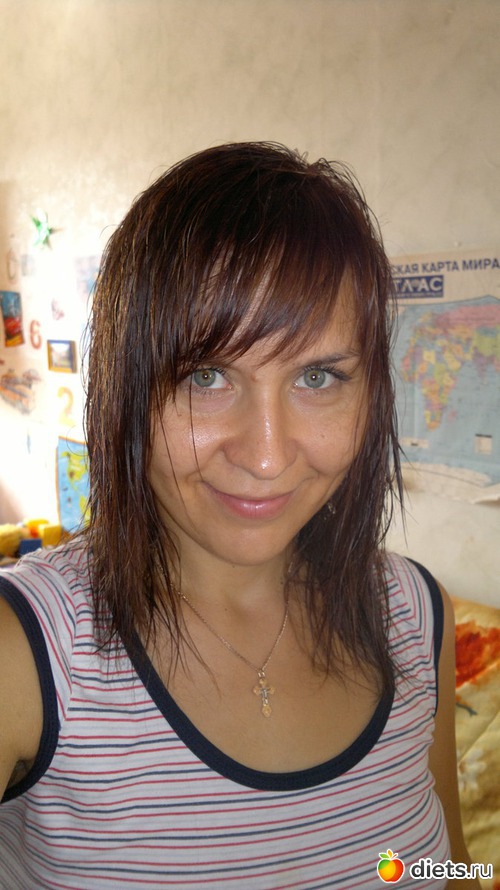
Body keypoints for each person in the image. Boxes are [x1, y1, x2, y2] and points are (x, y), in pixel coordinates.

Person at [0, 142, 479, 889]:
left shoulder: (417, 617)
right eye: (206, 374)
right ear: (127, 389)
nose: (266, 455)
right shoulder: (25, 656)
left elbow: (441, 868)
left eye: (318, 376)